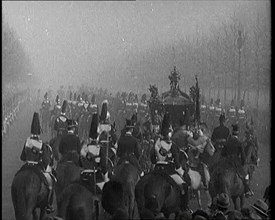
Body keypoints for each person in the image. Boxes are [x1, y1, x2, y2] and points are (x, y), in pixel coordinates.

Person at [150, 113, 189, 211]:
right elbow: (177, 164)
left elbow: (152, 159)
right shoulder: (173, 146)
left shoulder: (156, 144)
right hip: (169, 171)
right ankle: (185, 208)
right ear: (168, 133)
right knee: (184, 186)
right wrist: (182, 172)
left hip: (156, 170)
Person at [20, 112, 56, 213]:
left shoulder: (27, 141)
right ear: (39, 131)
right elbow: (45, 161)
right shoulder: (41, 144)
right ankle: (48, 205)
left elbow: (22, 157)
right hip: (37, 167)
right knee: (50, 184)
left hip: (26, 166)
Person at [221, 124, 253, 197]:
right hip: (236, 163)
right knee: (245, 175)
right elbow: (243, 158)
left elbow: (222, 154)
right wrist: (242, 163)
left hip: (226, 162)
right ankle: (247, 190)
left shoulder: (227, 142)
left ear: (232, 132)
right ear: (238, 133)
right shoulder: (239, 143)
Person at [80, 113, 108, 190]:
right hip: (96, 177)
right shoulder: (100, 148)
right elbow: (103, 165)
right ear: (98, 137)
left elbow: (80, 163)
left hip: (83, 177)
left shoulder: (83, 148)